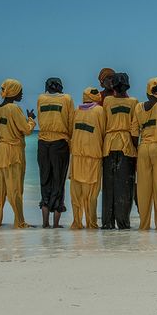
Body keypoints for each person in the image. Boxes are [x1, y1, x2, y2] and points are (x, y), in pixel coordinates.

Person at [0, 79, 36, 228]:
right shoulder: (14, 109)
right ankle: (20, 222)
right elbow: (26, 130)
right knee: (15, 190)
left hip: (0, 152)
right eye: (20, 91)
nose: (22, 94)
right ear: (13, 92)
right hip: (13, 152)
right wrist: (31, 119)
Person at [132, 78, 157, 230]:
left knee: (143, 189)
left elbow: (134, 132)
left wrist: (137, 149)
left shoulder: (138, 108)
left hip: (143, 149)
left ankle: (144, 224)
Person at [101, 73, 138, 229]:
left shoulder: (108, 101)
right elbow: (135, 129)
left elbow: (103, 124)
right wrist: (136, 147)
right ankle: (123, 223)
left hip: (109, 145)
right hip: (126, 146)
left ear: (113, 87)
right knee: (125, 185)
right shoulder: (134, 102)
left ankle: (107, 222)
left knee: (109, 186)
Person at [36, 78, 74, 228]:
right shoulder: (67, 99)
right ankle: (56, 223)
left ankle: (45, 222)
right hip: (60, 143)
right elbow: (70, 121)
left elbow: (40, 118)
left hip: (43, 143)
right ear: (60, 87)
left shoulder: (41, 98)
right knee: (59, 182)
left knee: (45, 180)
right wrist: (70, 142)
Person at [69, 88, 105, 229]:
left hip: (77, 157)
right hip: (93, 157)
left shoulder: (76, 111)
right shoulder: (99, 111)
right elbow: (103, 131)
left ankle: (77, 222)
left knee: (76, 193)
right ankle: (91, 223)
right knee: (91, 193)